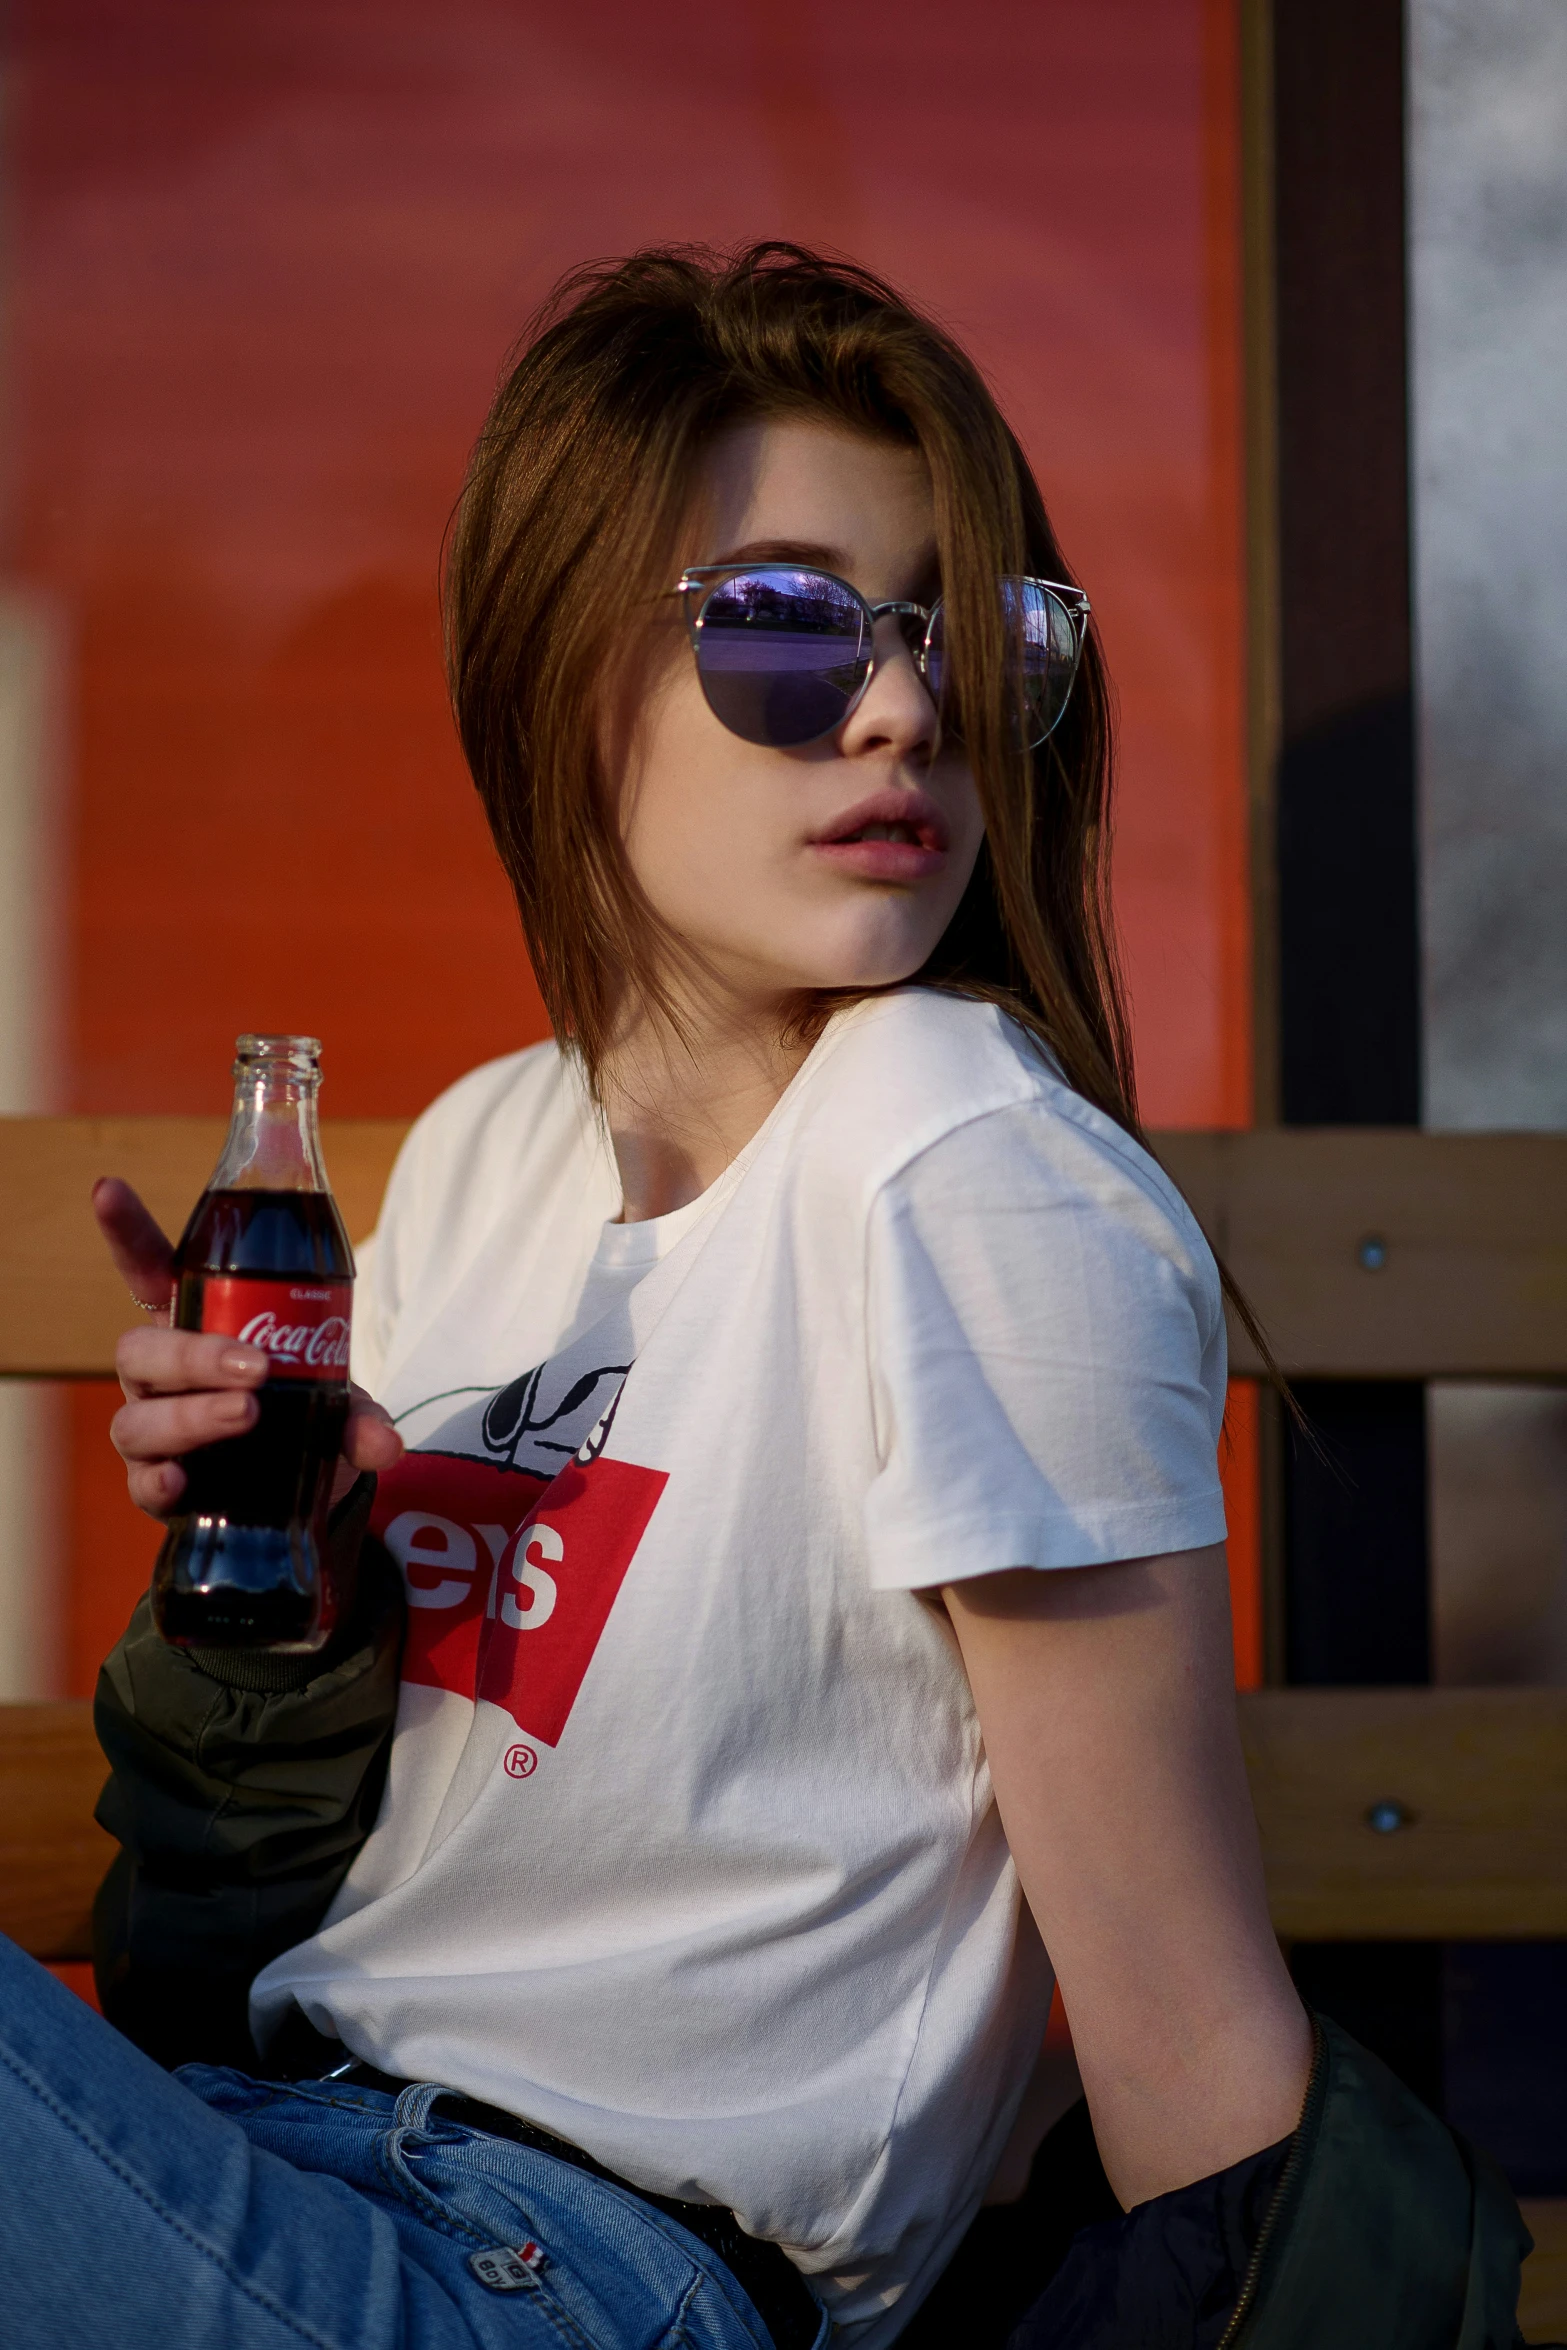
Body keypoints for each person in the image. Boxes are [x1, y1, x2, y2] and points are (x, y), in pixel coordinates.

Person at [0, 245, 1533, 2350]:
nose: (902, 703)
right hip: (270, 2152)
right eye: (791, 627)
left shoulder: (963, 1165)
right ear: (561, 672)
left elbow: (1192, 2045)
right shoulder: (478, 1149)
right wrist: (281, 1585)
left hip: (576, 2279)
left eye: (962, 636)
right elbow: (227, 1933)